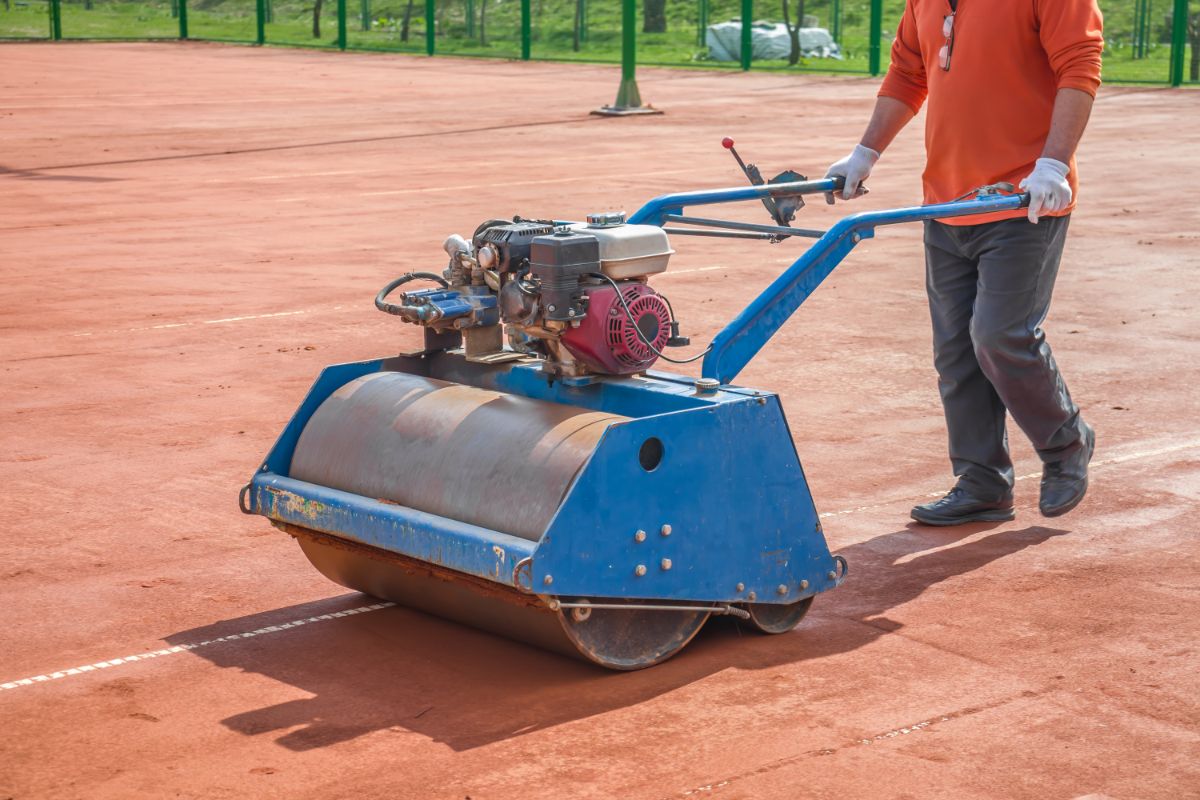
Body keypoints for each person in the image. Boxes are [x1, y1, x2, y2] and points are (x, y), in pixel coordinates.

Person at [825, 0, 1104, 525]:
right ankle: (983, 481)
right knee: (955, 352)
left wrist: (1053, 162)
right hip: (948, 201)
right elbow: (909, 74)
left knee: (1000, 334)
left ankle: (1066, 442)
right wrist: (865, 153)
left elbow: (1079, 66)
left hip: (1024, 198)